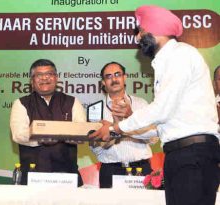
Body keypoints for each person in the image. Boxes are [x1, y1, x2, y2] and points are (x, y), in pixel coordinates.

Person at [90, 5, 220, 205]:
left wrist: (116, 128)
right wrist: (123, 129)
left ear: (156, 31)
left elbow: (161, 109)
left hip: (192, 155)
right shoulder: (166, 62)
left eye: (140, 31)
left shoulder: (180, 55)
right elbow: (158, 129)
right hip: (181, 154)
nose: (137, 38)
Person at [10, 59, 86, 186]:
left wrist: (60, 135)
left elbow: (82, 132)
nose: (44, 78)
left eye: (49, 74)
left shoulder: (72, 102)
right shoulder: (21, 103)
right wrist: (41, 138)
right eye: (39, 75)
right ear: (32, 81)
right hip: (33, 176)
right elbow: (18, 135)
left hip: (67, 175)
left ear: (56, 78)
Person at [92, 61, 157, 188]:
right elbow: (97, 147)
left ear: (124, 77)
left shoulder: (141, 104)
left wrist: (119, 124)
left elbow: (153, 139)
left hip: (141, 169)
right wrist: (117, 128)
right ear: (103, 82)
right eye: (109, 76)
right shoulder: (96, 109)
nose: (114, 79)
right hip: (111, 170)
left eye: (117, 74)